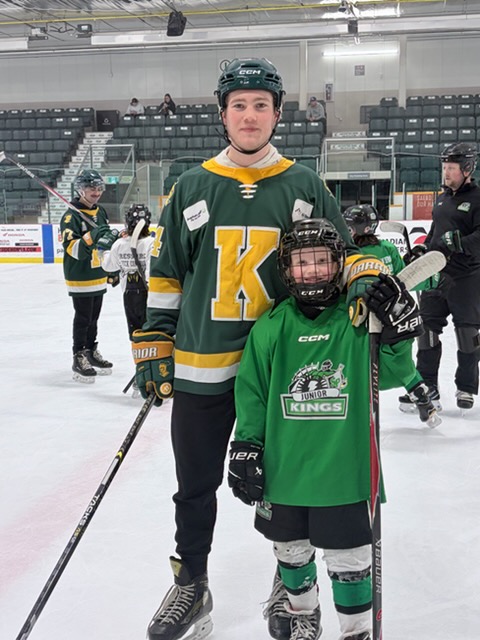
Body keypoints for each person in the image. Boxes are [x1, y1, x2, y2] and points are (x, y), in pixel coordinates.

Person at [131, 58, 388, 640]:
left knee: (286, 483)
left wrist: (370, 284)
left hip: (284, 368)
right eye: (239, 105)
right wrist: (154, 339)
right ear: (223, 114)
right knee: (194, 486)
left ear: (277, 115)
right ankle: (192, 584)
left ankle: (289, 581)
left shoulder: (305, 185)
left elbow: (348, 257)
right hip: (202, 367)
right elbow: (167, 274)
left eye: (261, 105)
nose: (250, 116)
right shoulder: (190, 186)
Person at [228, 218, 424, 640]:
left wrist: (397, 336)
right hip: (284, 470)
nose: (312, 271)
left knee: (350, 560)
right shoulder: (271, 326)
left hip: (345, 472)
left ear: (338, 264)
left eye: (321, 261)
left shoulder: (358, 320)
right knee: (290, 551)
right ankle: (302, 614)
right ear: (286, 269)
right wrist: (247, 444)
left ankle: (356, 631)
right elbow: (253, 393)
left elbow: (392, 373)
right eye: (302, 263)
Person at [342, 204, 440, 425]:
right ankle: (425, 404)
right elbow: (402, 280)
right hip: (395, 315)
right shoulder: (387, 248)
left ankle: (355, 414)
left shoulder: (350, 253)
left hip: (360, 316)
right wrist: (430, 279)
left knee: (358, 363)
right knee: (400, 361)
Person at [413, 142, 480, 411]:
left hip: (467, 276)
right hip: (436, 274)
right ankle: (427, 386)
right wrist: (423, 249)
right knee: (426, 329)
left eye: (452, 168)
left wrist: (459, 243)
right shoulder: (441, 199)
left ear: (467, 169)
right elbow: (435, 232)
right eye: (445, 167)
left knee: (467, 333)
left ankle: (466, 387)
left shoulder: (477, 198)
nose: (446, 172)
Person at [60, 170, 118, 383]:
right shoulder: (71, 216)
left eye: (99, 188)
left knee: (94, 318)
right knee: (83, 317)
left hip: (97, 273)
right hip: (80, 275)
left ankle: (91, 351)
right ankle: (78, 355)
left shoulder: (100, 212)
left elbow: (106, 244)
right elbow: (73, 250)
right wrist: (92, 236)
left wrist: (111, 269)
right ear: (80, 189)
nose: (96, 192)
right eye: (91, 188)